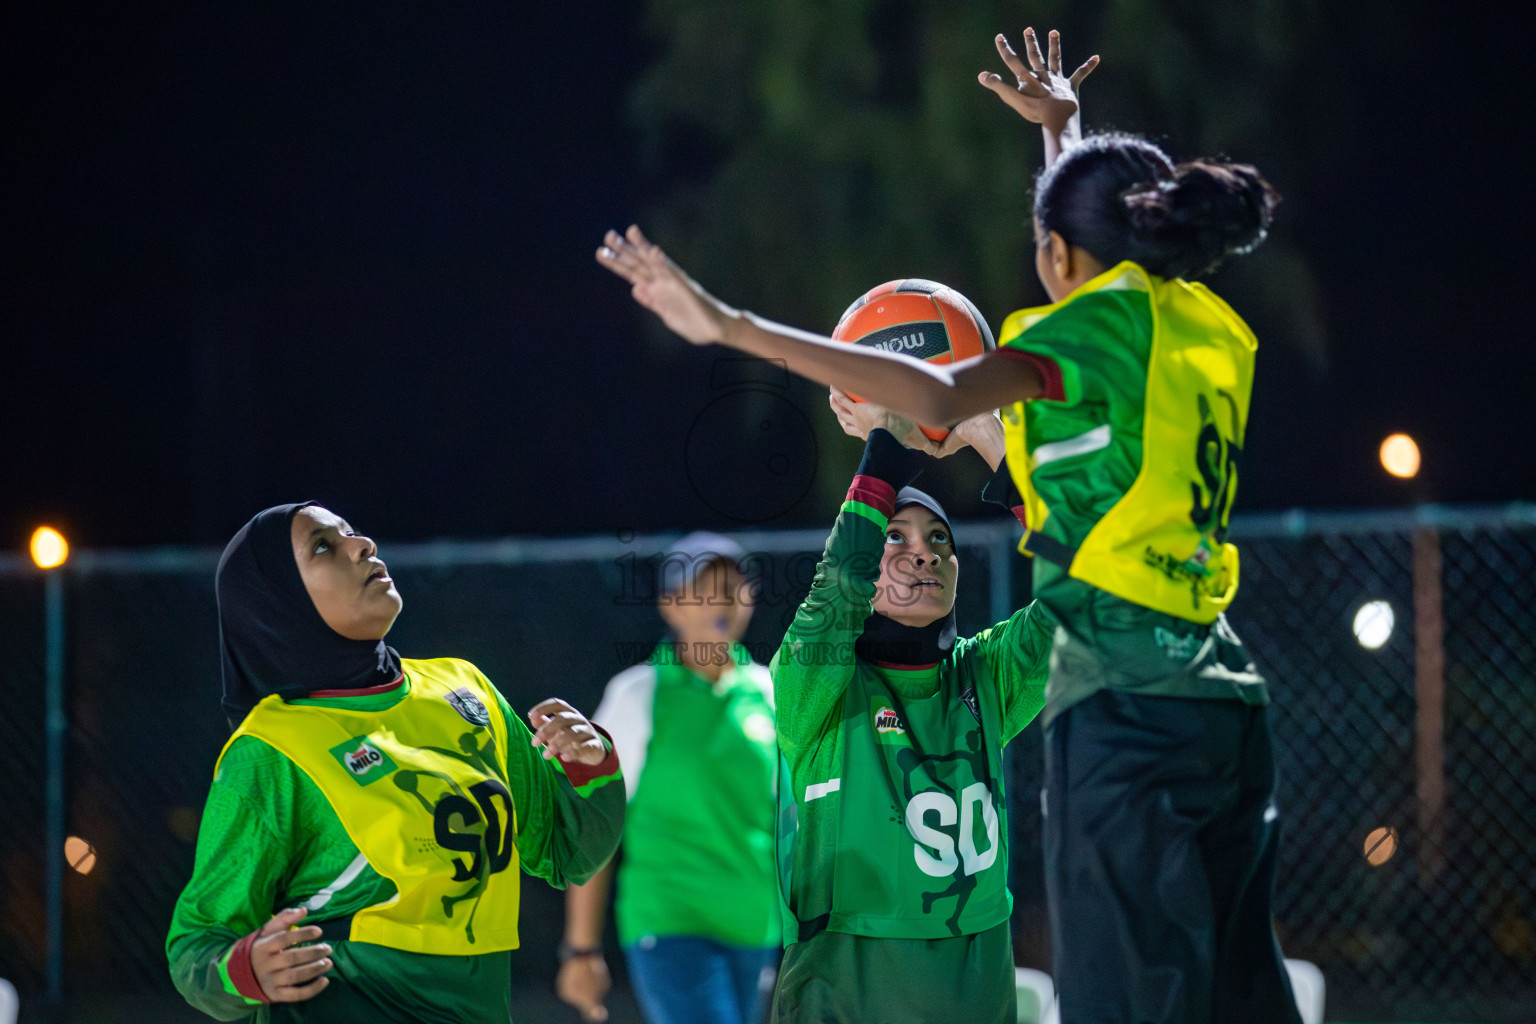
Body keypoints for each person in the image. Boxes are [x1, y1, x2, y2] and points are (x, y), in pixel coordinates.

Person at [597, 22, 1300, 1024]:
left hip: (1126, 698)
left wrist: (736, 329)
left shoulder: (1080, 340)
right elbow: (1090, 273)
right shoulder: (1201, 325)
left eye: (1041, 242)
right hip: (1217, 679)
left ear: (1057, 253)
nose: (921, 555)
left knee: (1128, 996)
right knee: (1239, 986)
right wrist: (1065, 133)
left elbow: (934, 379)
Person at [167, 502, 624, 1023]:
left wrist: (592, 765)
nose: (362, 546)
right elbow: (196, 946)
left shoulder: (462, 687)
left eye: (352, 533)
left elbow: (569, 850)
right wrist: (245, 970)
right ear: (277, 601)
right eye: (323, 546)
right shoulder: (273, 746)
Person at [768, 386, 1055, 1023]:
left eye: (939, 539)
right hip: (847, 989)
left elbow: (1091, 584)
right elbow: (835, 591)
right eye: (893, 537)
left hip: (976, 985)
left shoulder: (985, 673)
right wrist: (884, 450)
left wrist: (987, 434)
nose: (923, 551)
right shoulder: (816, 686)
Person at [556, 532, 780, 1024]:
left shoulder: (772, 692)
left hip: (758, 929)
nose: (721, 600)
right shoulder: (637, 695)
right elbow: (597, 824)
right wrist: (580, 949)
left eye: (733, 586)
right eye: (703, 588)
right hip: (669, 923)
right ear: (670, 605)